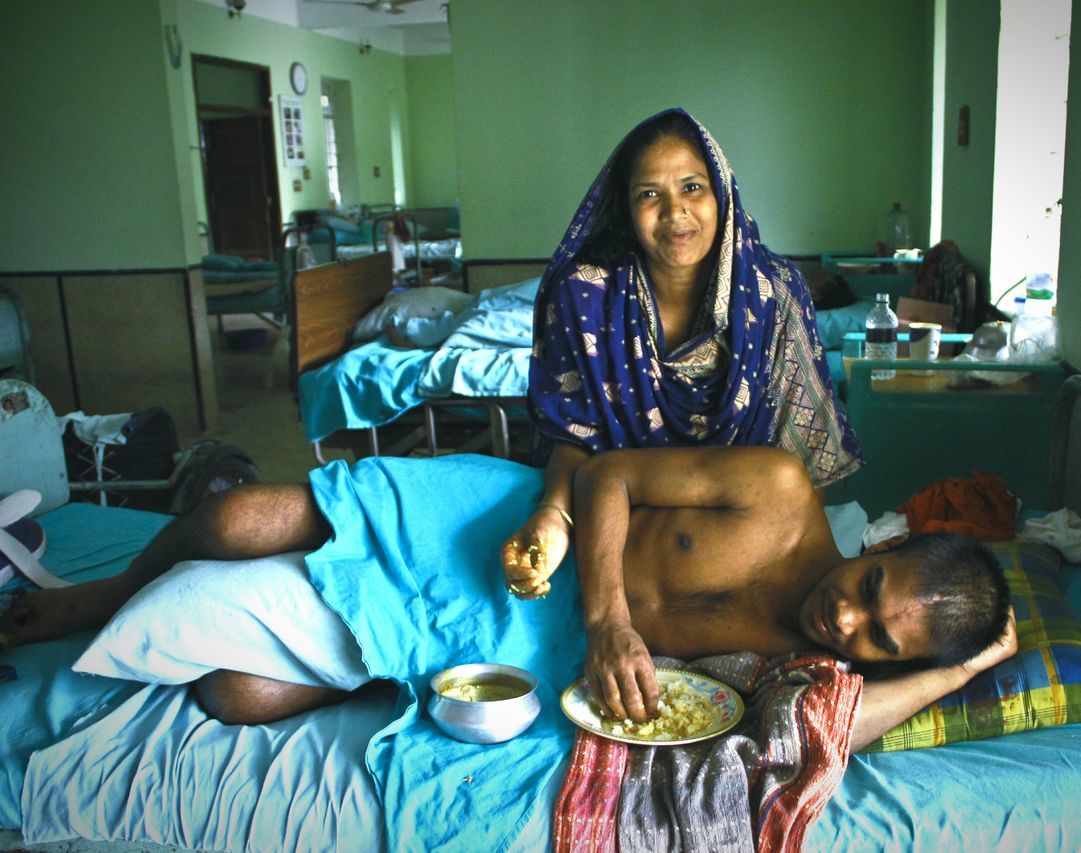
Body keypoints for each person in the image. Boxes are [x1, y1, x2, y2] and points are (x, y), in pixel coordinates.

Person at [1, 447, 1012, 752]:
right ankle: (98, 594)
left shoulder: (818, 660)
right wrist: (611, 614)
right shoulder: (779, 492)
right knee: (234, 522)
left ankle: (365, 672)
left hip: (521, 632)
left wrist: (962, 667)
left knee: (235, 696)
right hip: (507, 528)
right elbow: (608, 473)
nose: (844, 619)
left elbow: (834, 729)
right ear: (884, 544)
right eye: (868, 587)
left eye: (873, 639)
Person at [508, 108, 863, 587]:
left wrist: (785, 571)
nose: (675, 212)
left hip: (741, 545)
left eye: (692, 187)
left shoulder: (774, 294)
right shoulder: (586, 296)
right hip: (615, 540)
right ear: (625, 209)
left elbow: (804, 464)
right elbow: (573, 436)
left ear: (723, 195)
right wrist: (555, 516)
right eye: (649, 194)